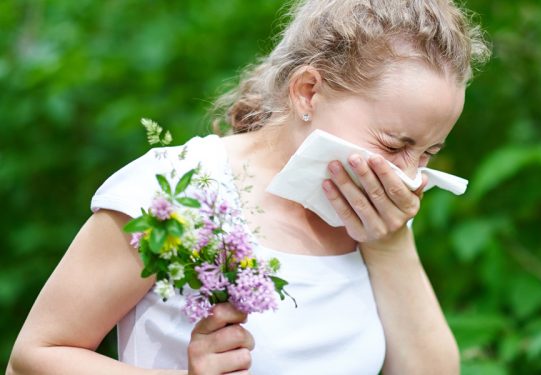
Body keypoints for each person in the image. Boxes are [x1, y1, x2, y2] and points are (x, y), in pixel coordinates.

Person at [7, 0, 489, 374]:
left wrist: (389, 244)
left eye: (428, 153)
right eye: (393, 143)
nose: (409, 175)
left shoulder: (369, 218)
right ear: (308, 92)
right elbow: (34, 358)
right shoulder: (178, 189)